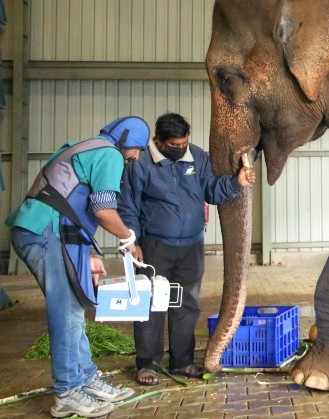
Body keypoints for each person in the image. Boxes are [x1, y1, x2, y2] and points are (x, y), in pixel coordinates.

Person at [5, 116, 150, 418]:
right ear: (128, 142)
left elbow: (70, 203)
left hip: (50, 231)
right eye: (138, 150)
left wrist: (88, 252)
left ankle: (85, 379)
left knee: (74, 309)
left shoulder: (85, 147)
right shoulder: (110, 155)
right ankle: (68, 392)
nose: (136, 158)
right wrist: (129, 239)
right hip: (46, 233)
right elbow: (103, 210)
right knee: (67, 310)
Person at [118, 112, 255, 386]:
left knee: (186, 304)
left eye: (184, 143)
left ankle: (182, 361)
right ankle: (148, 364)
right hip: (154, 246)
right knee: (150, 305)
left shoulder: (197, 157)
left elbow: (212, 191)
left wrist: (236, 182)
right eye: (175, 145)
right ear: (159, 140)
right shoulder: (141, 162)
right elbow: (128, 206)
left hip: (192, 245)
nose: (181, 149)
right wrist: (131, 244)